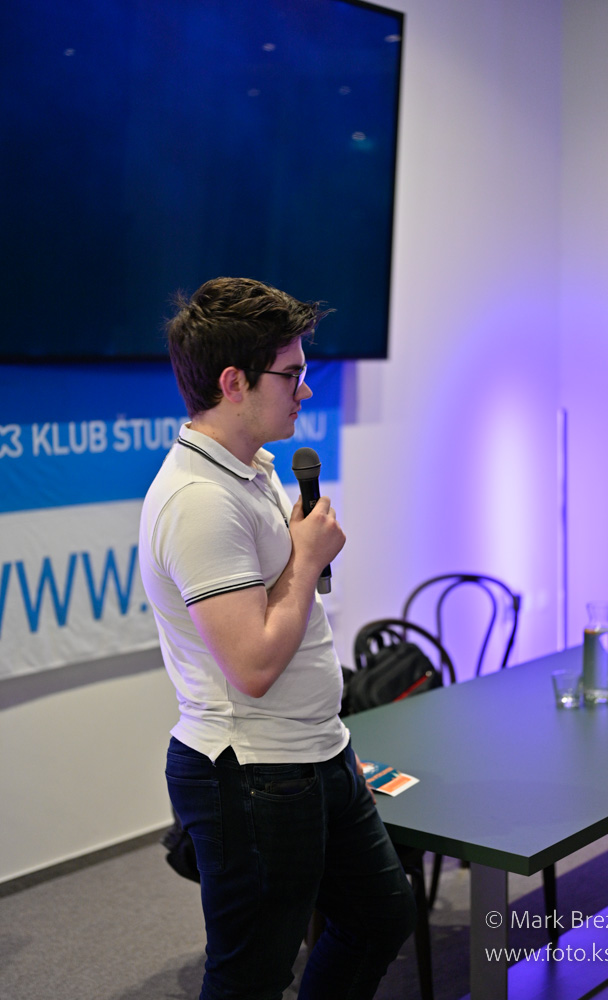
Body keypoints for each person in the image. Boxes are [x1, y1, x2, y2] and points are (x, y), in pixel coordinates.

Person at [138, 276, 416, 1000]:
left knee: (380, 915)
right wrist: (308, 559)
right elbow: (254, 664)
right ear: (233, 383)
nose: (306, 390)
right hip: (253, 772)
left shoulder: (251, 467)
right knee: (250, 978)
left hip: (314, 750)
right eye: (291, 375)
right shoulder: (198, 501)